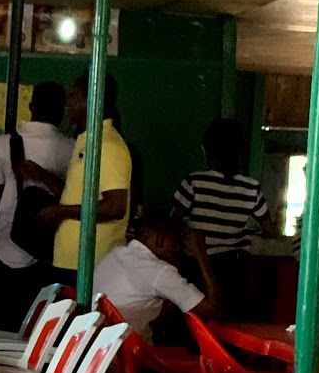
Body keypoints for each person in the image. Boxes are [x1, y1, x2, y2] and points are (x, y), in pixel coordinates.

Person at [0, 81, 73, 329]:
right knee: (36, 328)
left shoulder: (2, 143)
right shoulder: (72, 148)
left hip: (4, 246)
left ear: (31, 106)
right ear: (62, 111)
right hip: (47, 252)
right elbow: (74, 198)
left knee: (0, 325)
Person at [29, 72, 132, 283]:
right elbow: (77, 196)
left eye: (73, 95)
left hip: (92, 263)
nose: (67, 103)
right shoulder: (87, 140)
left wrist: (60, 212)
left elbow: (115, 207)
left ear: (89, 100)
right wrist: (42, 176)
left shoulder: (107, 145)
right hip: (72, 260)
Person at [172, 118, 273, 320]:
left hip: (196, 266)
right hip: (234, 269)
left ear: (206, 150)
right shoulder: (251, 187)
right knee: (228, 324)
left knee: (196, 324)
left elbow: (174, 223)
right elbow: (270, 231)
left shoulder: (194, 181)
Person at [93, 213, 222, 343]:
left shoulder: (116, 253)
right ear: (160, 241)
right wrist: (202, 255)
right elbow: (214, 311)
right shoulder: (159, 271)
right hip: (128, 347)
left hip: (100, 343)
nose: (177, 252)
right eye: (176, 245)